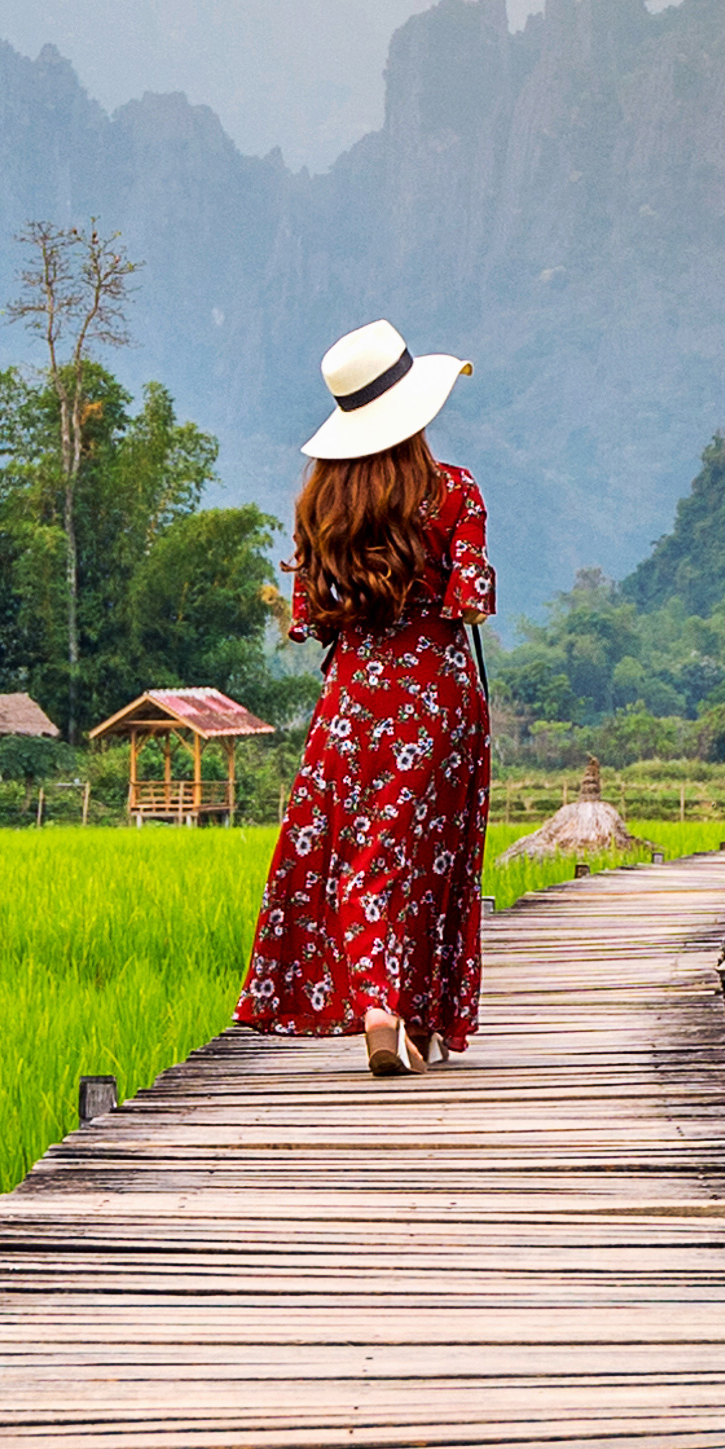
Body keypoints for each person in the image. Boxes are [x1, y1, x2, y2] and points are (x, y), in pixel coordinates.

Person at [234, 317, 496, 1079]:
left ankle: (386, 1016)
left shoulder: (321, 506)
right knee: (428, 857)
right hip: (439, 697)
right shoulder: (455, 492)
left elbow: (308, 619)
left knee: (359, 855)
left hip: (354, 701)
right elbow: (470, 599)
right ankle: (403, 1012)